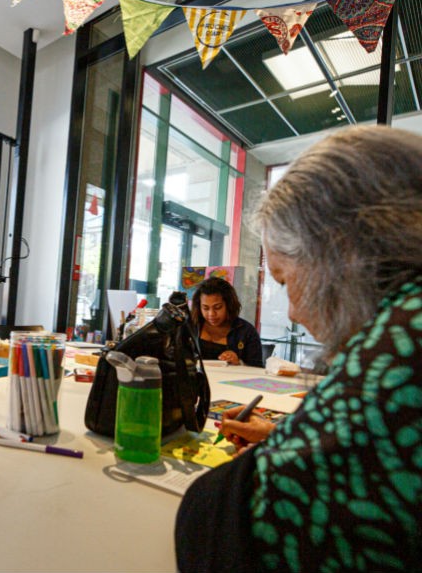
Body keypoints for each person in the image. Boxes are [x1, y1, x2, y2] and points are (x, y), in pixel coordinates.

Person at [176, 125, 422, 572]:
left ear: (340, 252)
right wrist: (285, 439)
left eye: (287, 280)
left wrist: (284, 456)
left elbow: (235, 528)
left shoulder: (402, 353)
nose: (291, 312)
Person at [190, 276, 263, 367]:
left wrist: (239, 363)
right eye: (205, 308)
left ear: (229, 305)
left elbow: (258, 369)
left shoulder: (246, 332)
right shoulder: (190, 326)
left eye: (217, 307)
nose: (211, 314)